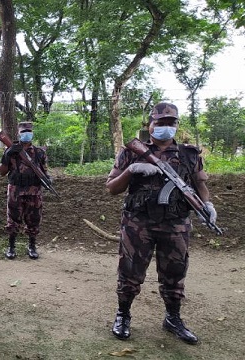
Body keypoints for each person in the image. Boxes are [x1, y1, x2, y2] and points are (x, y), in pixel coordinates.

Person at [106, 102, 217, 345]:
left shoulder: (189, 155)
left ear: (177, 125)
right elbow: (112, 188)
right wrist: (132, 170)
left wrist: (206, 206)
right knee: (130, 272)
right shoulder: (131, 152)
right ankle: (123, 315)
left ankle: (173, 318)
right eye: (160, 122)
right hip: (138, 224)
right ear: (151, 124)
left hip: (176, 224)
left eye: (171, 123)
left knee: (175, 274)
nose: (166, 127)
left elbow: (200, 186)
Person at [0, 122, 51, 260]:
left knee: (34, 218)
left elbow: (44, 171)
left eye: (29, 131)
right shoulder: (11, 150)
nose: (26, 134)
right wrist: (8, 155)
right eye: (23, 131)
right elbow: (1, 172)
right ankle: (11, 247)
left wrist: (48, 180)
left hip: (34, 190)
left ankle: (32, 246)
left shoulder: (39, 152)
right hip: (16, 189)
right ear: (18, 134)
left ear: (32, 133)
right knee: (13, 218)